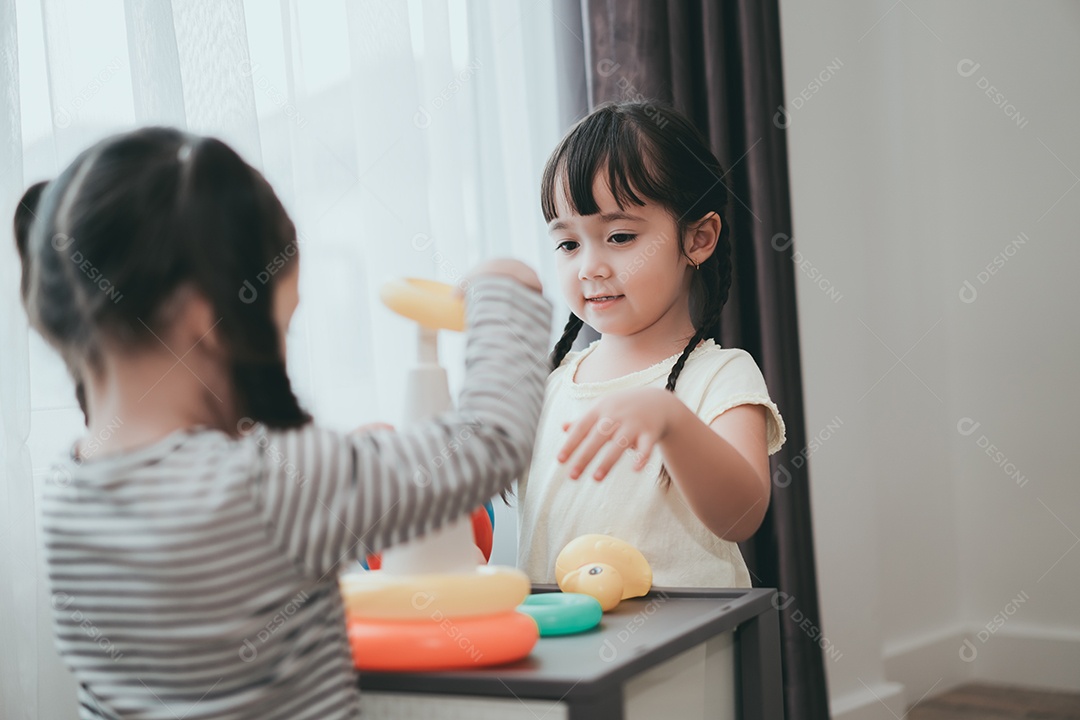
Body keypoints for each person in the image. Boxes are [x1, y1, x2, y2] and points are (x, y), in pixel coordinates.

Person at [15, 126, 552, 719]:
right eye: (282, 325)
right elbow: (490, 441)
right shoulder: (270, 484)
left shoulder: (71, 494)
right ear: (207, 317)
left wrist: (345, 475)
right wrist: (507, 290)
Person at [517, 101, 787, 588]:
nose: (589, 267)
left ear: (698, 238)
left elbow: (742, 516)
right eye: (569, 244)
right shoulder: (550, 385)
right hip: (571, 657)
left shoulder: (720, 376)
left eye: (619, 236)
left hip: (679, 658)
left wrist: (670, 421)